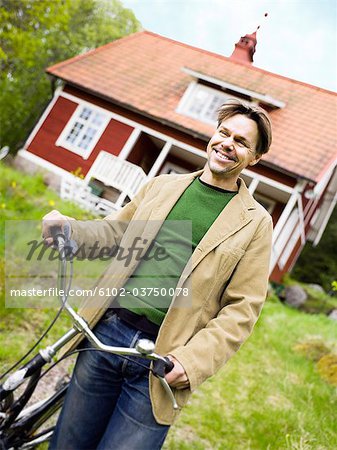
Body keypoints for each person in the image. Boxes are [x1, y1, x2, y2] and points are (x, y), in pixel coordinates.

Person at [43, 99, 273, 450]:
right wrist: (70, 230)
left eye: (241, 142)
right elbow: (114, 234)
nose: (227, 143)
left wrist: (193, 361)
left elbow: (242, 309)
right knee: (68, 443)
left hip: (163, 363)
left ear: (255, 158)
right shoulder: (162, 186)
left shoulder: (255, 223)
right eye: (224, 133)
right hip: (107, 331)